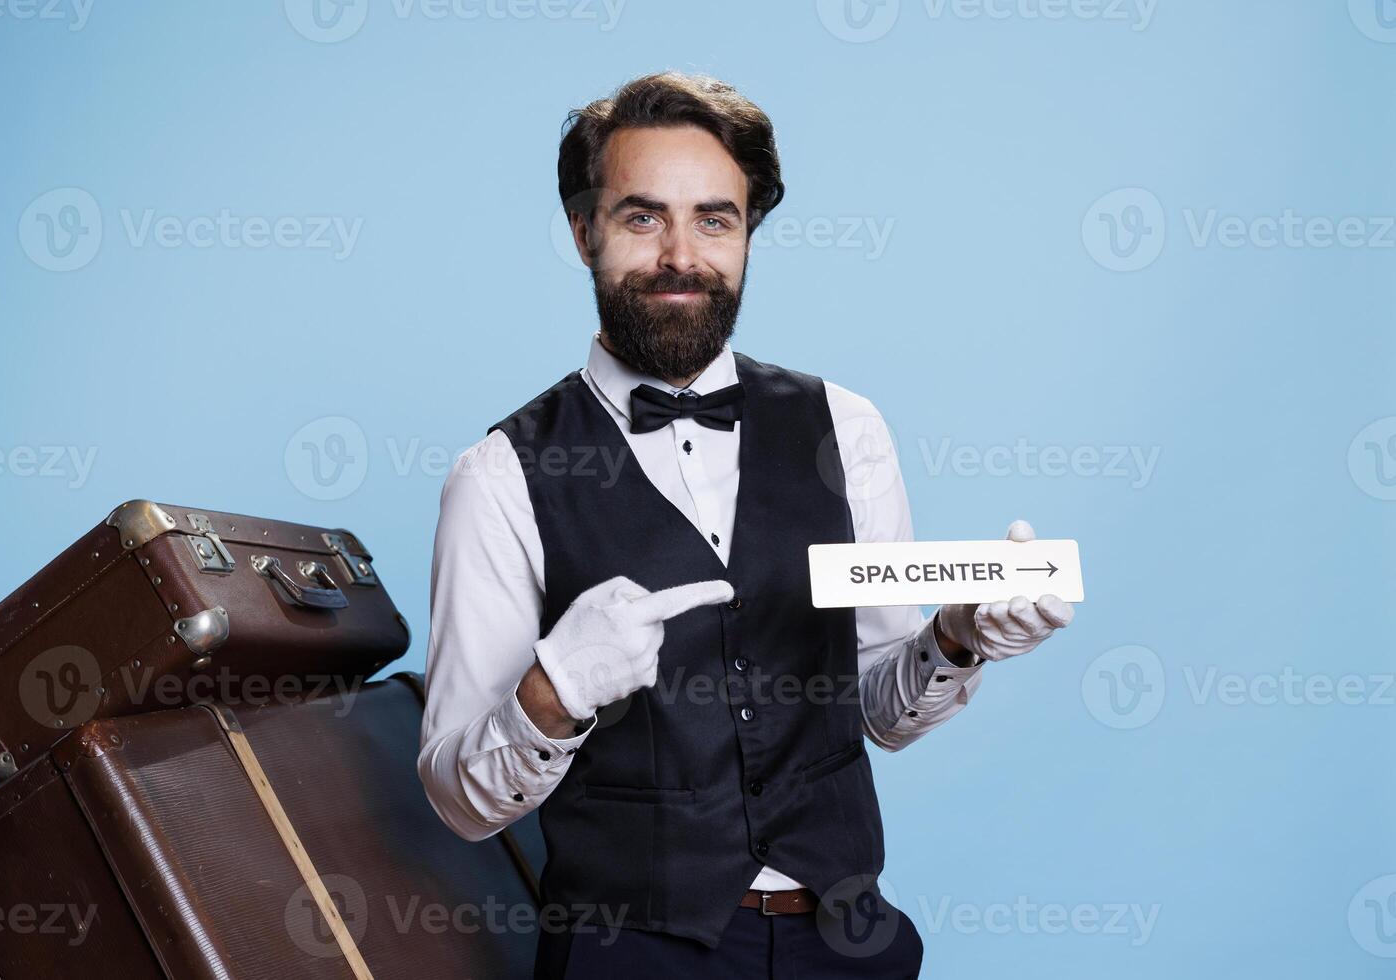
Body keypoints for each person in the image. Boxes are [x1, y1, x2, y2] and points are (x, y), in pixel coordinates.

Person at [417, 71, 1075, 979]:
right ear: (584, 232)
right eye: (642, 217)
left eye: (714, 219)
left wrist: (959, 638)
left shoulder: (847, 429)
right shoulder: (497, 478)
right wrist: (553, 690)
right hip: (629, 956)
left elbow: (882, 707)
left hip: (846, 941)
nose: (680, 254)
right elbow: (459, 799)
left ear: (748, 235)